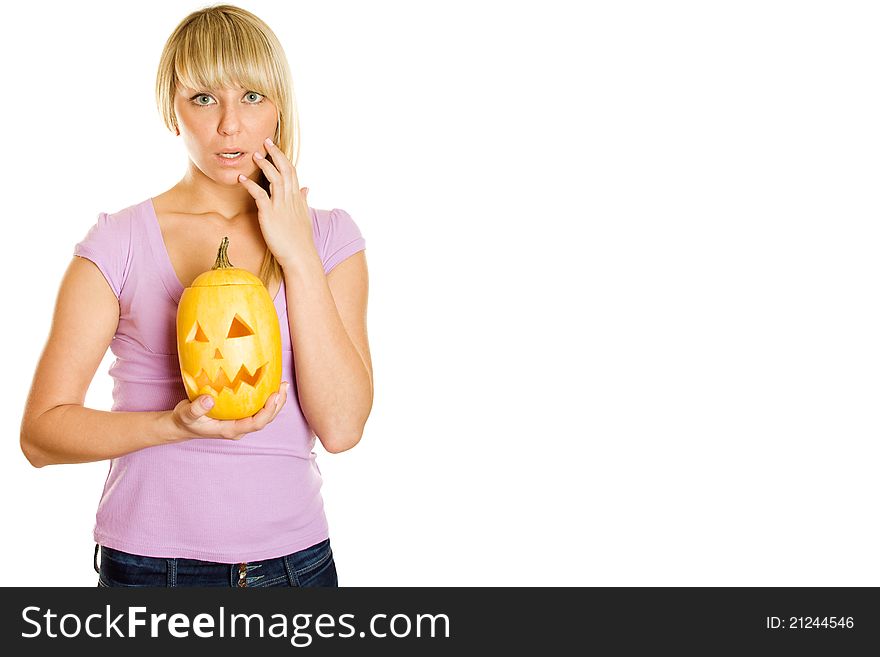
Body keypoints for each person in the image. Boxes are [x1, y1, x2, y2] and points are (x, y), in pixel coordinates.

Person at [18, 4, 373, 588]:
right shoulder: (119, 241)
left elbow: (342, 429)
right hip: (152, 570)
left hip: (296, 566)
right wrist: (174, 426)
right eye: (204, 98)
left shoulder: (331, 237)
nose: (230, 126)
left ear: (280, 105)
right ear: (170, 109)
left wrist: (298, 253)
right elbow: (41, 435)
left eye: (252, 97)